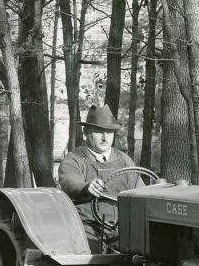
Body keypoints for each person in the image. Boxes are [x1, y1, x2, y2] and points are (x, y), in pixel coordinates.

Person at [58, 104, 142, 252]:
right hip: (87, 227)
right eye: (99, 132)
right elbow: (68, 181)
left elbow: (139, 189)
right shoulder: (74, 159)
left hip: (122, 228)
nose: (105, 138)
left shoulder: (124, 160)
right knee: (89, 258)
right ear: (86, 132)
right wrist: (86, 187)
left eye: (109, 133)